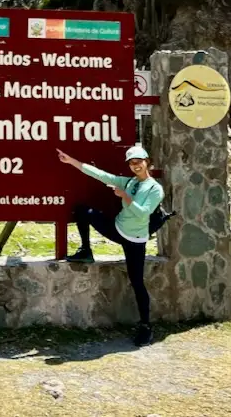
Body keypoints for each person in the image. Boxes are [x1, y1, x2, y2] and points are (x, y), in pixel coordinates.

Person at [56, 145, 164, 347]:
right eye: (131, 163)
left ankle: (146, 326)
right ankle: (86, 250)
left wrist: (125, 197)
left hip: (135, 240)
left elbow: (142, 213)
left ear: (147, 161)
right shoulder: (130, 182)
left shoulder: (155, 189)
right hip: (117, 229)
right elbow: (101, 175)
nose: (135, 166)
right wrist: (71, 161)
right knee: (83, 211)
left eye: (138, 161)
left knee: (137, 281)